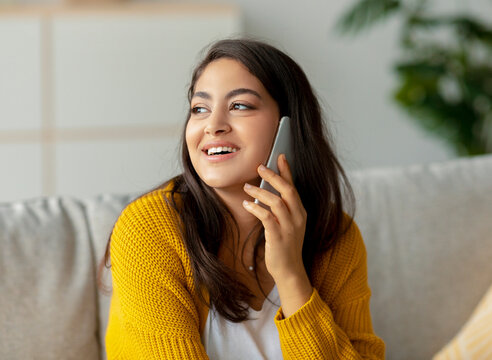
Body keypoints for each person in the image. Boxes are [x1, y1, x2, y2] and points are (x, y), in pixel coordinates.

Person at [102, 38, 386, 359]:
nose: (213, 126)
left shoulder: (334, 235)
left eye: (240, 106)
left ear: (289, 128)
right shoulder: (149, 230)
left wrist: (292, 276)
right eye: (200, 108)